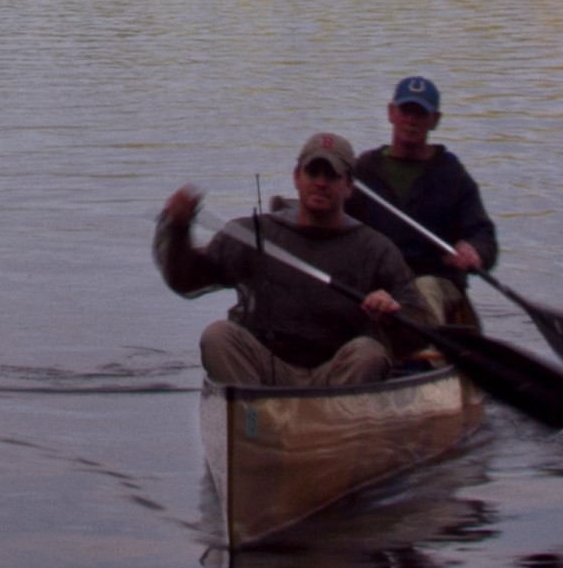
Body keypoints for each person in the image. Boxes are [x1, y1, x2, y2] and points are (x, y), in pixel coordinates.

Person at [155, 133, 424, 387]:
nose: (321, 182)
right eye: (313, 172)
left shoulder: (375, 248)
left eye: (332, 175)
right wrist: (178, 229)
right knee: (217, 336)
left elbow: (418, 328)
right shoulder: (254, 234)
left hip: (337, 377)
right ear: (297, 177)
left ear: (348, 186)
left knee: (370, 353)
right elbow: (186, 281)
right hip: (267, 373)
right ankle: (252, 418)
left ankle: (336, 424)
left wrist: (392, 314)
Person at [347, 76, 496, 329]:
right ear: (391, 113)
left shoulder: (453, 175)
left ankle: (421, 350)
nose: (411, 121)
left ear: (434, 120)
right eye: (406, 111)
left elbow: (483, 235)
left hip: (435, 281)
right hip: (378, 282)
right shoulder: (363, 171)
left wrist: (474, 249)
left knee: (424, 289)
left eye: (420, 113)